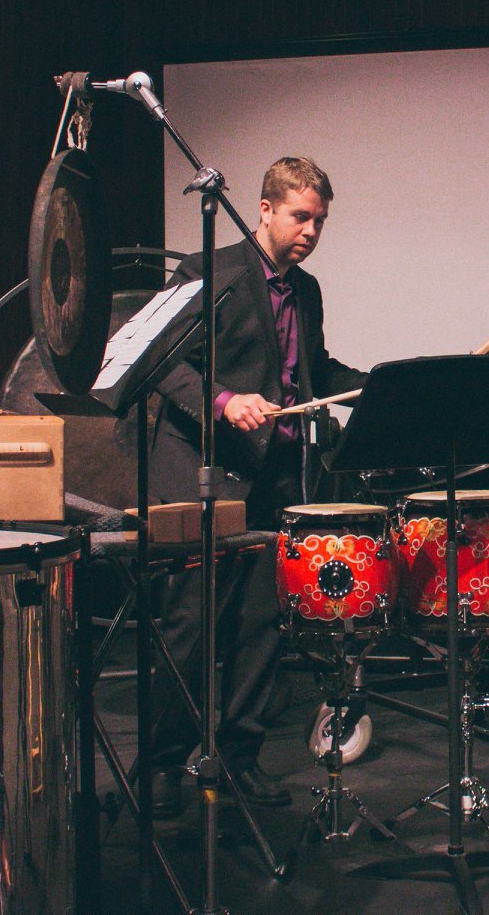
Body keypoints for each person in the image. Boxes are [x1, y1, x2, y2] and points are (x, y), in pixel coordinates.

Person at [148, 156, 366, 810]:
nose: (311, 231)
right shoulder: (204, 272)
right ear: (265, 209)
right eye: (301, 216)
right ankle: (161, 768)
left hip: (274, 473)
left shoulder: (307, 291)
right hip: (203, 468)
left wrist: (380, 386)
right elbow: (160, 361)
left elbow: (315, 371)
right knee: (193, 621)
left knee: (263, 623)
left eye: (320, 221)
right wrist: (223, 401)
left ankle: (238, 757)